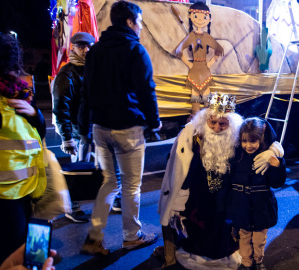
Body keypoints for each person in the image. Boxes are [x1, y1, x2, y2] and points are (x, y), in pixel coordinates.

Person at [157, 92, 284, 269]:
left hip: (228, 199)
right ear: (205, 121)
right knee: (199, 229)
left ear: (230, 124)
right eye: (213, 122)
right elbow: (176, 166)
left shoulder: (238, 136)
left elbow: (269, 140)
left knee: (224, 231)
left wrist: (274, 152)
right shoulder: (191, 135)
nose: (217, 128)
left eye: (223, 124)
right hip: (198, 197)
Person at [78, 0, 162, 256]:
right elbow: (146, 90)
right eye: (139, 21)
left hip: (100, 128)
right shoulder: (135, 51)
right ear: (129, 21)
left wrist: (84, 125)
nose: (140, 27)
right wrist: (154, 120)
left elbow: (86, 92)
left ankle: (94, 237)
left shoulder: (95, 51)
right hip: (128, 129)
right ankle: (131, 236)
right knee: (130, 185)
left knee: (109, 182)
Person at [0, 31, 47, 269]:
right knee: (13, 253)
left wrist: (35, 113)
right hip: (2, 199)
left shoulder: (17, 92)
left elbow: (39, 132)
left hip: (30, 191)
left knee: (34, 250)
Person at [227, 117, 287, 270]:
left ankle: (258, 260)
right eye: (244, 141)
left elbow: (276, 183)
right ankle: (246, 262)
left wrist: (278, 167)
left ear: (261, 139)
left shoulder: (266, 157)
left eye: (253, 141)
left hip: (261, 206)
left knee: (259, 239)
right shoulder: (237, 157)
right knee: (244, 236)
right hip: (241, 205)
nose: (248, 145)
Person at [52, 32, 94, 223]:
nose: (86, 50)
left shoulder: (91, 70)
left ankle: (112, 200)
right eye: (82, 46)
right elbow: (60, 107)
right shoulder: (67, 73)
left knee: (100, 168)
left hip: (92, 129)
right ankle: (73, 207)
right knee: (77, 171)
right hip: (78, 133)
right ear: (73, 47)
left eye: (89, 46)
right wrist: (67, 137)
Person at [175, 2, 224, 118]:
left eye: (204, 17)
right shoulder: (191, 36)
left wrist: (210, 63)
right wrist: (189, 64)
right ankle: (195, 121)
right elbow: (179, 51)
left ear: (209, 19)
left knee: (207, 97)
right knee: (195, 97)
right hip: (194, 70)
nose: (200, 20)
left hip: (205, 70)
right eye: (196, 16)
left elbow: (219, 49)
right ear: (190, 16)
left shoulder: (206, 36)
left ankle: (209, 119)